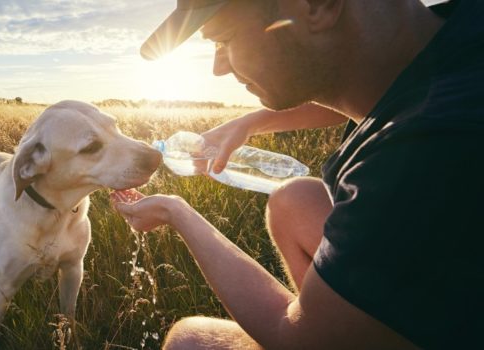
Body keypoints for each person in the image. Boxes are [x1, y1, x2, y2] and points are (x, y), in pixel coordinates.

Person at [111, 0, 484, 349]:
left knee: (189, 340)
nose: (218, 67)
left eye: (224, 40)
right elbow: (372, 84)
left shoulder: (427, 152)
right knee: (293, 201)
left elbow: (295, 336)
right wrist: (253, 121)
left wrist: (178, 214)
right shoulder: (457, 36)